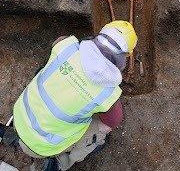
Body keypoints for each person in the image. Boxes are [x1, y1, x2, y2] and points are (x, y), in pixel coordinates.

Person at [11, 20, 137, 171]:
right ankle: (58, 164)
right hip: (41, 146)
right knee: (101, 133)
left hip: (19, 116)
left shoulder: (65, 45)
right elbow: (110, 123)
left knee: (44, 69)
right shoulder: (108, 94)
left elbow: (58, 42)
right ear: (124, 58)